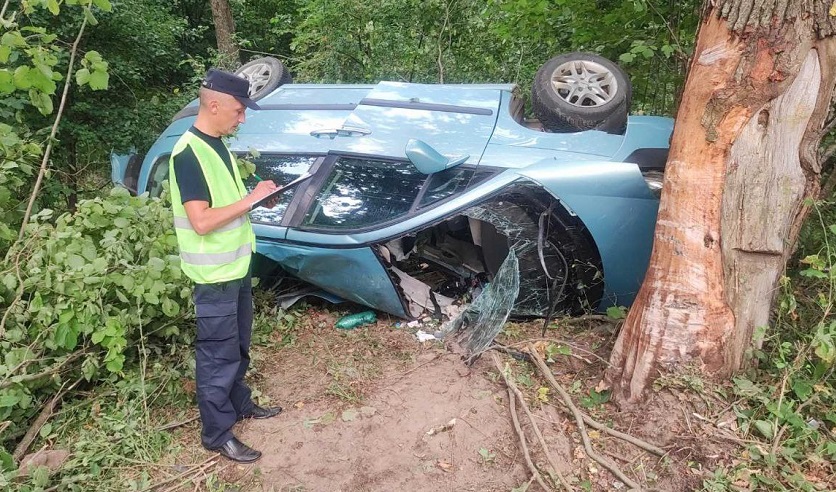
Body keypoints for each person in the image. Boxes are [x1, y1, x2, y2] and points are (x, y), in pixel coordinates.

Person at [168, 68, 282, 464]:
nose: (242, 117)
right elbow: (201, 221)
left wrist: (256, 199)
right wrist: (250, 199)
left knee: (237, 345)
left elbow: (227, 207)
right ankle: (216, 434)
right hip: (213, 276)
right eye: (238, 109)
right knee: (217, 356)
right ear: (213, 104)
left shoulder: (215, 145)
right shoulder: (188, 154)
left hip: (234, 269)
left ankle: (240, 404)